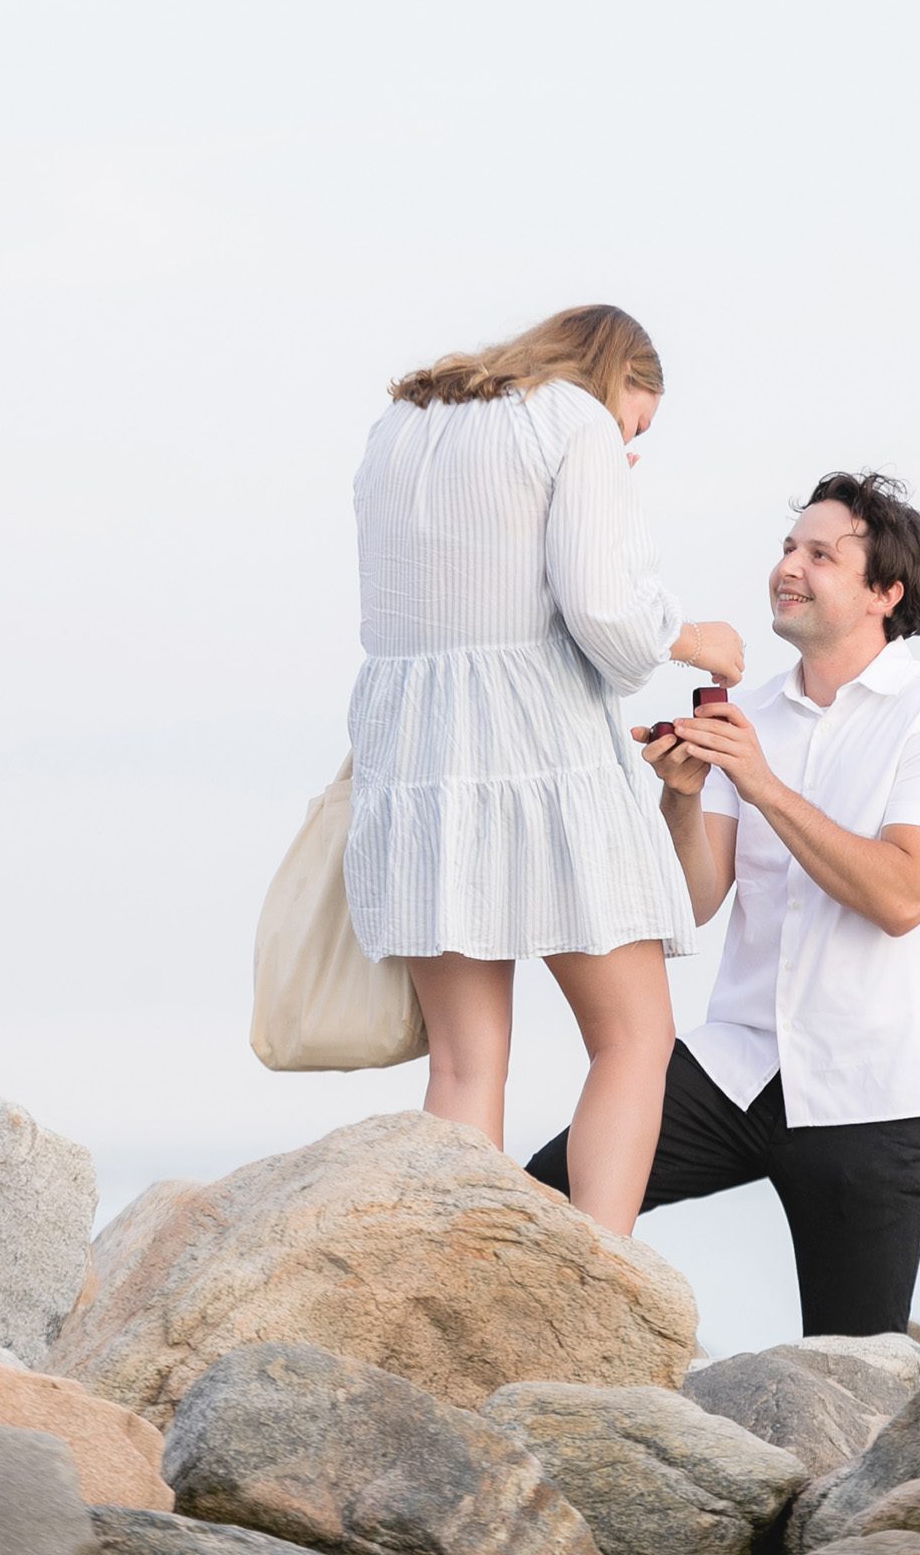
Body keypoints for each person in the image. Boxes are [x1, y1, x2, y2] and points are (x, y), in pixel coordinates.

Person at [526, 471, 920, 1349]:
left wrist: (760, 784)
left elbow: (901, 896)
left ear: (885, 593)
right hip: (736, 1067)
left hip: (872, 1088)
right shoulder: (755, 717)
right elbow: (697, 902)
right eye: (788, 548)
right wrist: (680, 795)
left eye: (822, 555)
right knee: (539, 1206)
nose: (790, 567)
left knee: (853, 1382)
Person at [346, 305, 745, 1236]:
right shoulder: (575, 423)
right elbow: (607, 619)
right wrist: (697, 639)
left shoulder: (400, 426)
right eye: (634, 424)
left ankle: (451, 1280)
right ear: (617, 383)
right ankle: (601, 1280)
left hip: (418, 762)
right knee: (634, 1039)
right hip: (540, 758)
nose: (628, 440)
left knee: (463, 1064)